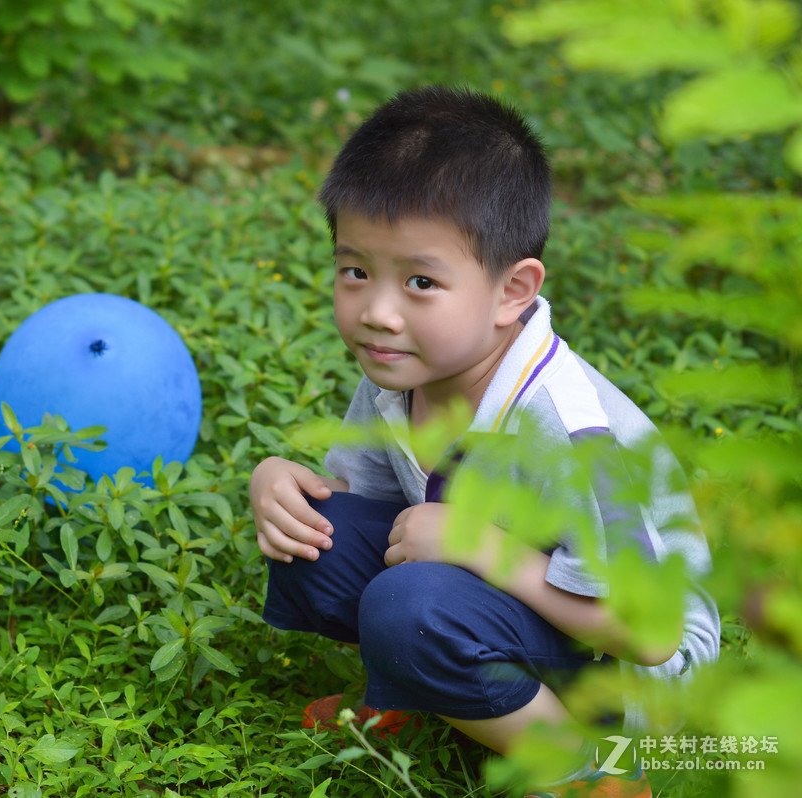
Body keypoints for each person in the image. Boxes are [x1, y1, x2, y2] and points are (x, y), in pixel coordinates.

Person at [250, 86, 721, 797]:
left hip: (635, 672)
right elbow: (367, 511)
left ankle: (590, 773)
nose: (378, 313)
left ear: (512, 292)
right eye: (356, 271)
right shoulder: (403, 369)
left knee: (411, 607)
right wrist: (276, 483)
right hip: (518, 597)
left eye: (420, 281)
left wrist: (481, 548)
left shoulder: (569, 429)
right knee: (316, 537)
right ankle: (420, 684)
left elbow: (651, 635)